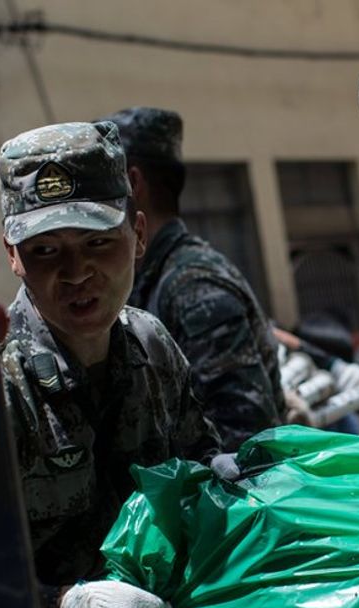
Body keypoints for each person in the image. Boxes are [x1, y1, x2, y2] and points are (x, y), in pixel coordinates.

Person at [0, 121, 221, 608]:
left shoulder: (152, 345)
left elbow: (200, 477)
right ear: (13, 256)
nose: (77, 273)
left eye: (98, 242)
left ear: (138, 235)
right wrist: (70, 607)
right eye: (46, 250)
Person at [100, 107, 283, 449]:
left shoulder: (193, 288)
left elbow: (247, 443)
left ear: (132, 182)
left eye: (99, 185)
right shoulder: (153, 279)